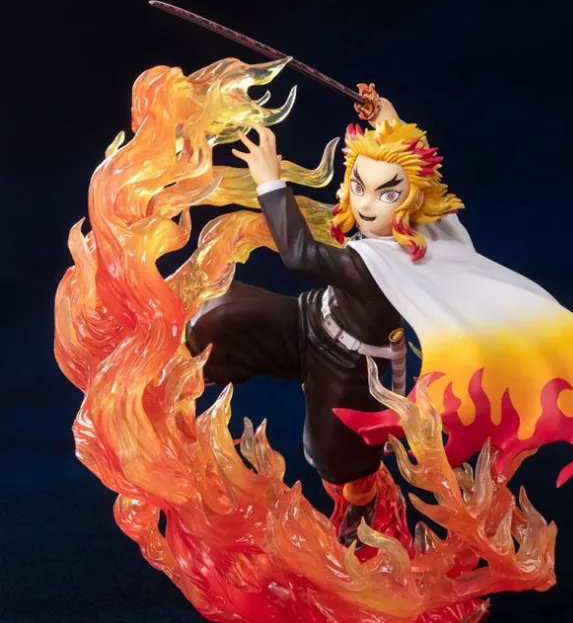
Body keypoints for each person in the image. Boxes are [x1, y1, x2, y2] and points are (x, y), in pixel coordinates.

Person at [185, 98, 462, 544]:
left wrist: (271, 183)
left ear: (413, 200)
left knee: (340, 457)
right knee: (224, 314)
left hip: (352, 368)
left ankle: (361, 508)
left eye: (388, 195)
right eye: (359, 187)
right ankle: (183, 380)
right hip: (314, 318)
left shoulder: (387, 260)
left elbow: (300, 255)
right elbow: (407, 165)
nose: (366, 206)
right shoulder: (387, 236)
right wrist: (386, 120)